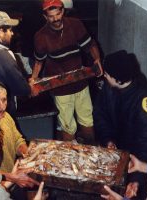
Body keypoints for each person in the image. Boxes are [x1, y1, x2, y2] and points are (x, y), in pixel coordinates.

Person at [93, 50, 147, 199]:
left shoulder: (146, 102)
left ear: (118, 80)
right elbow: (100, 114)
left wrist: (137, 179)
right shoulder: (109, 87)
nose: (104, 75)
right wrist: (108, 140)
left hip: (136, 163)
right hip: (115, 154)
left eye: (107, 74)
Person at [31, 0, 102, 142]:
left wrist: (97, 60)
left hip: (80, 81)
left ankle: (91, 149)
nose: (55, 19)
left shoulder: (75, 25)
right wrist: (33, 79)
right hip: (60, 88)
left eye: (58, 14)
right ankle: (70, 155)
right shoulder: (41, 37)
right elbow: (39, 61)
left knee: (87, 120)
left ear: (63, 11)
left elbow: (90, 45)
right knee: (68, 125)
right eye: (51, 16)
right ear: (45, 17)